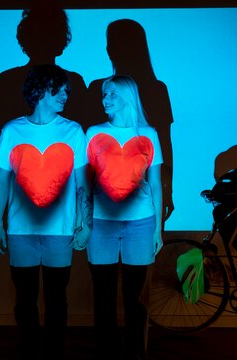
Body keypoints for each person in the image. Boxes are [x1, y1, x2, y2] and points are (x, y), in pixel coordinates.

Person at [0, 64, 91, 360]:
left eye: (66, 90)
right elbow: (1, 178)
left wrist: (84, 222)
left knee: (56, 299)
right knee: (25, 300)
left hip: (60, 232)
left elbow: (82, 182)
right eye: (59, 89)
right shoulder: (12, 131)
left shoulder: (73, 131)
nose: (65, 95)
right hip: (21, 231)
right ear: (40, 90)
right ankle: (28, 358)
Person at [85, 74, 163, 360]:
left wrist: (158, 229)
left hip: (140, 223)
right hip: (102, 223)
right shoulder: (93, 133)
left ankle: (137, 359)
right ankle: (106, 359)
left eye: (112, 95)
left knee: (136, 299)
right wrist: (84, 220)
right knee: (103, 297)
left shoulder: (149, 134)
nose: (105, 100)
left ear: (127, 97)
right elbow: (85, 181)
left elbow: (155, 183)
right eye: (104, 95)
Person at [0, 0, 88, 215]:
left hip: (60, 197)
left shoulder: (72, 82)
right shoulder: (7, 81)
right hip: (19, 194)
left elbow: (83, 150)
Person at [85, 18, 174, 226]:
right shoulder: (154, 89)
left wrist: (166, 190)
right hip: (103, 203)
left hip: (134, 200)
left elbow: (164, 147)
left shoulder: (156, 89)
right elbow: (166, 146)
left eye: (113, 43)